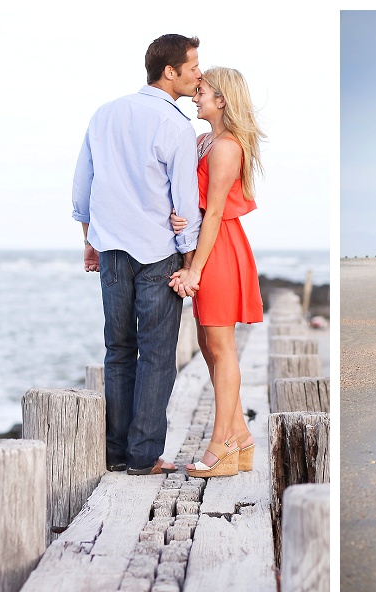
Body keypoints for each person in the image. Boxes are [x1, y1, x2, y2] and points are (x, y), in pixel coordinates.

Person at [71, 34, 203, 476]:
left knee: (118, 349)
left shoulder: (104, 113)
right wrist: (189, 260)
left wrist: (90, 238)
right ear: (170, 71)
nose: (198, 75)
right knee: (157, 354)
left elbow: (83, 185)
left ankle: (115, 452)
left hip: (110, 248)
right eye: (193, 67)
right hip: (158, 251)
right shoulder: (177, 126)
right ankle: (143, 456)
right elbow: (184, 202)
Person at [168, 66, 266, 478]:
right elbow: (192, 199)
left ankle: (221, 445)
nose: (195, 94)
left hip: (220, 248)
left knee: (222, 348)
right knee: (209, 347)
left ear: (221, 99)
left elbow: (215, 214)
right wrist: (179, 218)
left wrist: (194, 269)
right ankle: (241, 436)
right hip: (206, 243)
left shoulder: (227, 147)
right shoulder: (203, 140)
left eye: (202, 90)